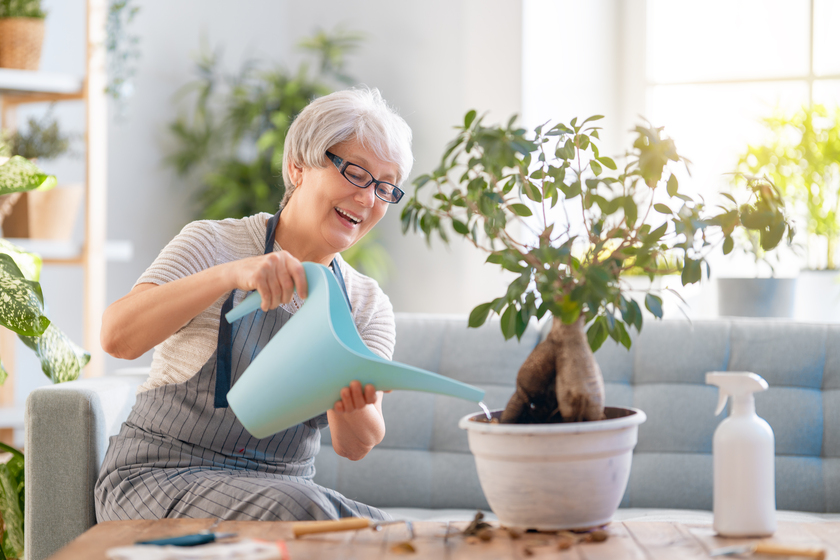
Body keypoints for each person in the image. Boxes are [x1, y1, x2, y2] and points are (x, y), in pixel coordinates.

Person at [94, 87, 413, 522]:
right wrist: (230, 274)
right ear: (298, 166)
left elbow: (356, 444)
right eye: (356, 173)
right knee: (309, 512)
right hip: (159, 474)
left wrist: (339, 370)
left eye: (385, 187)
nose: (368, 198)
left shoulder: (366, 304)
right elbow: (117, 338)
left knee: (388, 532)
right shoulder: (213, 242)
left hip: (283, 489)